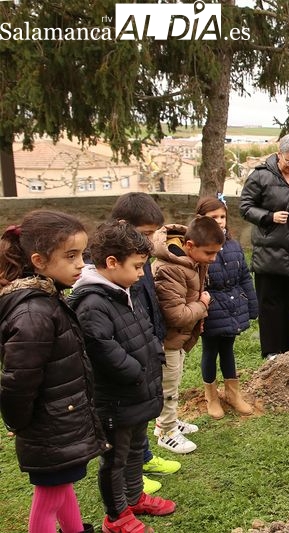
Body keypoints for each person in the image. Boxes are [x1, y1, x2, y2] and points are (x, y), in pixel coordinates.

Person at [0, 210, 107, 533]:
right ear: (39, 260)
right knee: (49, 497)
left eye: (82, 255)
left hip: (60, 421)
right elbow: (18, 381)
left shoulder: (46, 297)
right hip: (49, 427)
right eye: (71, 256)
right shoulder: (34, 312)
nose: (81, 265)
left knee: (61, 488)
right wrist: (18, 422)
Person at [69, 222, 176, 533]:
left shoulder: (122, 290)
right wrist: (136, 371)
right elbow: (101, 348)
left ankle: (134, 497)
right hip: (116, 399)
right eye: (137, 267)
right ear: (112, 263)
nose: (141, 274)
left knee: (134, 452)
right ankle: (116, 516)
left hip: (137, 394)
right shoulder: (92, 303)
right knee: (115, 460)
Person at [109, 192, 182, 491]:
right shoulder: (113, 267)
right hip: (127, 348)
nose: (151, 242)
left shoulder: (141, 257)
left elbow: (147, 299)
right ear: (125, 225)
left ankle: (145, 456)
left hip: (147, 341)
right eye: (146, 234)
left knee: (145, 408)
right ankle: (130, 472)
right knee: (128, 415)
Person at [240, 134, 289, 359]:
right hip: (268, 254)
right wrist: (269, 216)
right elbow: (245, 207)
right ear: (279, 154)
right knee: (270, 306)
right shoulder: (260, 176)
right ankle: (272, 352)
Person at [152, 215, 225, 454]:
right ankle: (166, 431)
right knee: (168, 384)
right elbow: (175, 315)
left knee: (174, 380)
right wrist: (203, 305)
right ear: (190, 246)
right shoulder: (170, 269)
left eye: (216, 253)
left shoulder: (190, 261)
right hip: (168, 338)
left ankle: (169, 420)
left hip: (179, 337)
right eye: (209, 254)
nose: (213, 259)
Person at [195, 195, 258, 418]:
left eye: (223, 216)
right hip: (210, 309)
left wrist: (251, 304)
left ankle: (233, 394)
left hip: (232, 307)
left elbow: (244, 277)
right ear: (201, 219)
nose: (220, 221)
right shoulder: (196, 248)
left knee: (228, 349)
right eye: (214, 217)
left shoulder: (232, 245)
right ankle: (211, 397)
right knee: (210, 351)